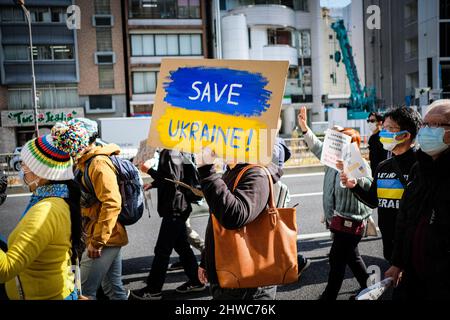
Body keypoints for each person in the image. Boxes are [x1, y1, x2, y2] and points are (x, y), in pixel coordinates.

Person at [297, 106, 373, 300]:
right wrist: (305, 128)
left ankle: (328, 296)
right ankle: (370, 287)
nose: (337, 146)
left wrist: (354, 180)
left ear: (352, 144)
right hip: (337, 220)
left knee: (337, 260)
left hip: (352, 221)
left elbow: (368, 186)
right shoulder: (332, 160)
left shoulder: (359, 164)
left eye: (342, 142)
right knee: (352, 258)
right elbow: (316, 146)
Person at [53, 119, 130, 300]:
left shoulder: (98, 163)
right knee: (113, 289)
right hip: (107, 236)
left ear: (84, 139)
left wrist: (97, 241)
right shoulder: (84, 162)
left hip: (104, 238)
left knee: (84, 292)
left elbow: (112, 203)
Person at [0, 133, 83, 300]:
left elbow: (5, 270)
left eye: (25, 163)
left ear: (41, 172)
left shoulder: (46, 211)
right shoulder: (58, 199)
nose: (22, 170)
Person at [196, 148, 283, 300]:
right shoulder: (232, 171)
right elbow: (217, 219)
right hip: (229, 271)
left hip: (248, 283)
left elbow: (235, 216)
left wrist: (206, 171)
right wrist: (207, 260)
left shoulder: (256, 173)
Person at [386, 100, 450, 300]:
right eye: (425, 124)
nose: (427, 130)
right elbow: (405, 218)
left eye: (436, 125)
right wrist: (397, 262)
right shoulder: (419, 168)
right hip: (412, 276)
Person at [341, 107, 422, 262]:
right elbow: (373, 201)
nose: (383, 133)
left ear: (405, 135)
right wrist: (354, 186)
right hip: (389, 244)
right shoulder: (383, 166)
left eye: (389, 128)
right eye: (383, 128)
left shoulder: (422, 164)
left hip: (415, 244)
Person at [131, 149, 204, 300]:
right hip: (179, 206)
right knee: (182, 246)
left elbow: (172, 180)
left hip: (175, 208)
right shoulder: (177, 151)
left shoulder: (170, 152)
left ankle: (153, 289)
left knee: (162, 251)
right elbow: (174, 179)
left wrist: (148, 170)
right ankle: (196, 281)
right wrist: (153, 184)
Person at [272, 118, 310, 277]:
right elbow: (286, 155)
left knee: (274, 230)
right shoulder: (278, 141)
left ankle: (296, 261)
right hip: (276, 189)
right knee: (275, 230)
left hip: (272, 190)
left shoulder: (270, 144)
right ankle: (294, 261)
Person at [367, 112, 389, 176]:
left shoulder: (383, 136)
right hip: (374, 171)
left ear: (380, 122)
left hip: (383, 172)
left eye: (372, 121)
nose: (370, 123)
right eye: (368, 121)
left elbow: (385, 156)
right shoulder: (371, 138)